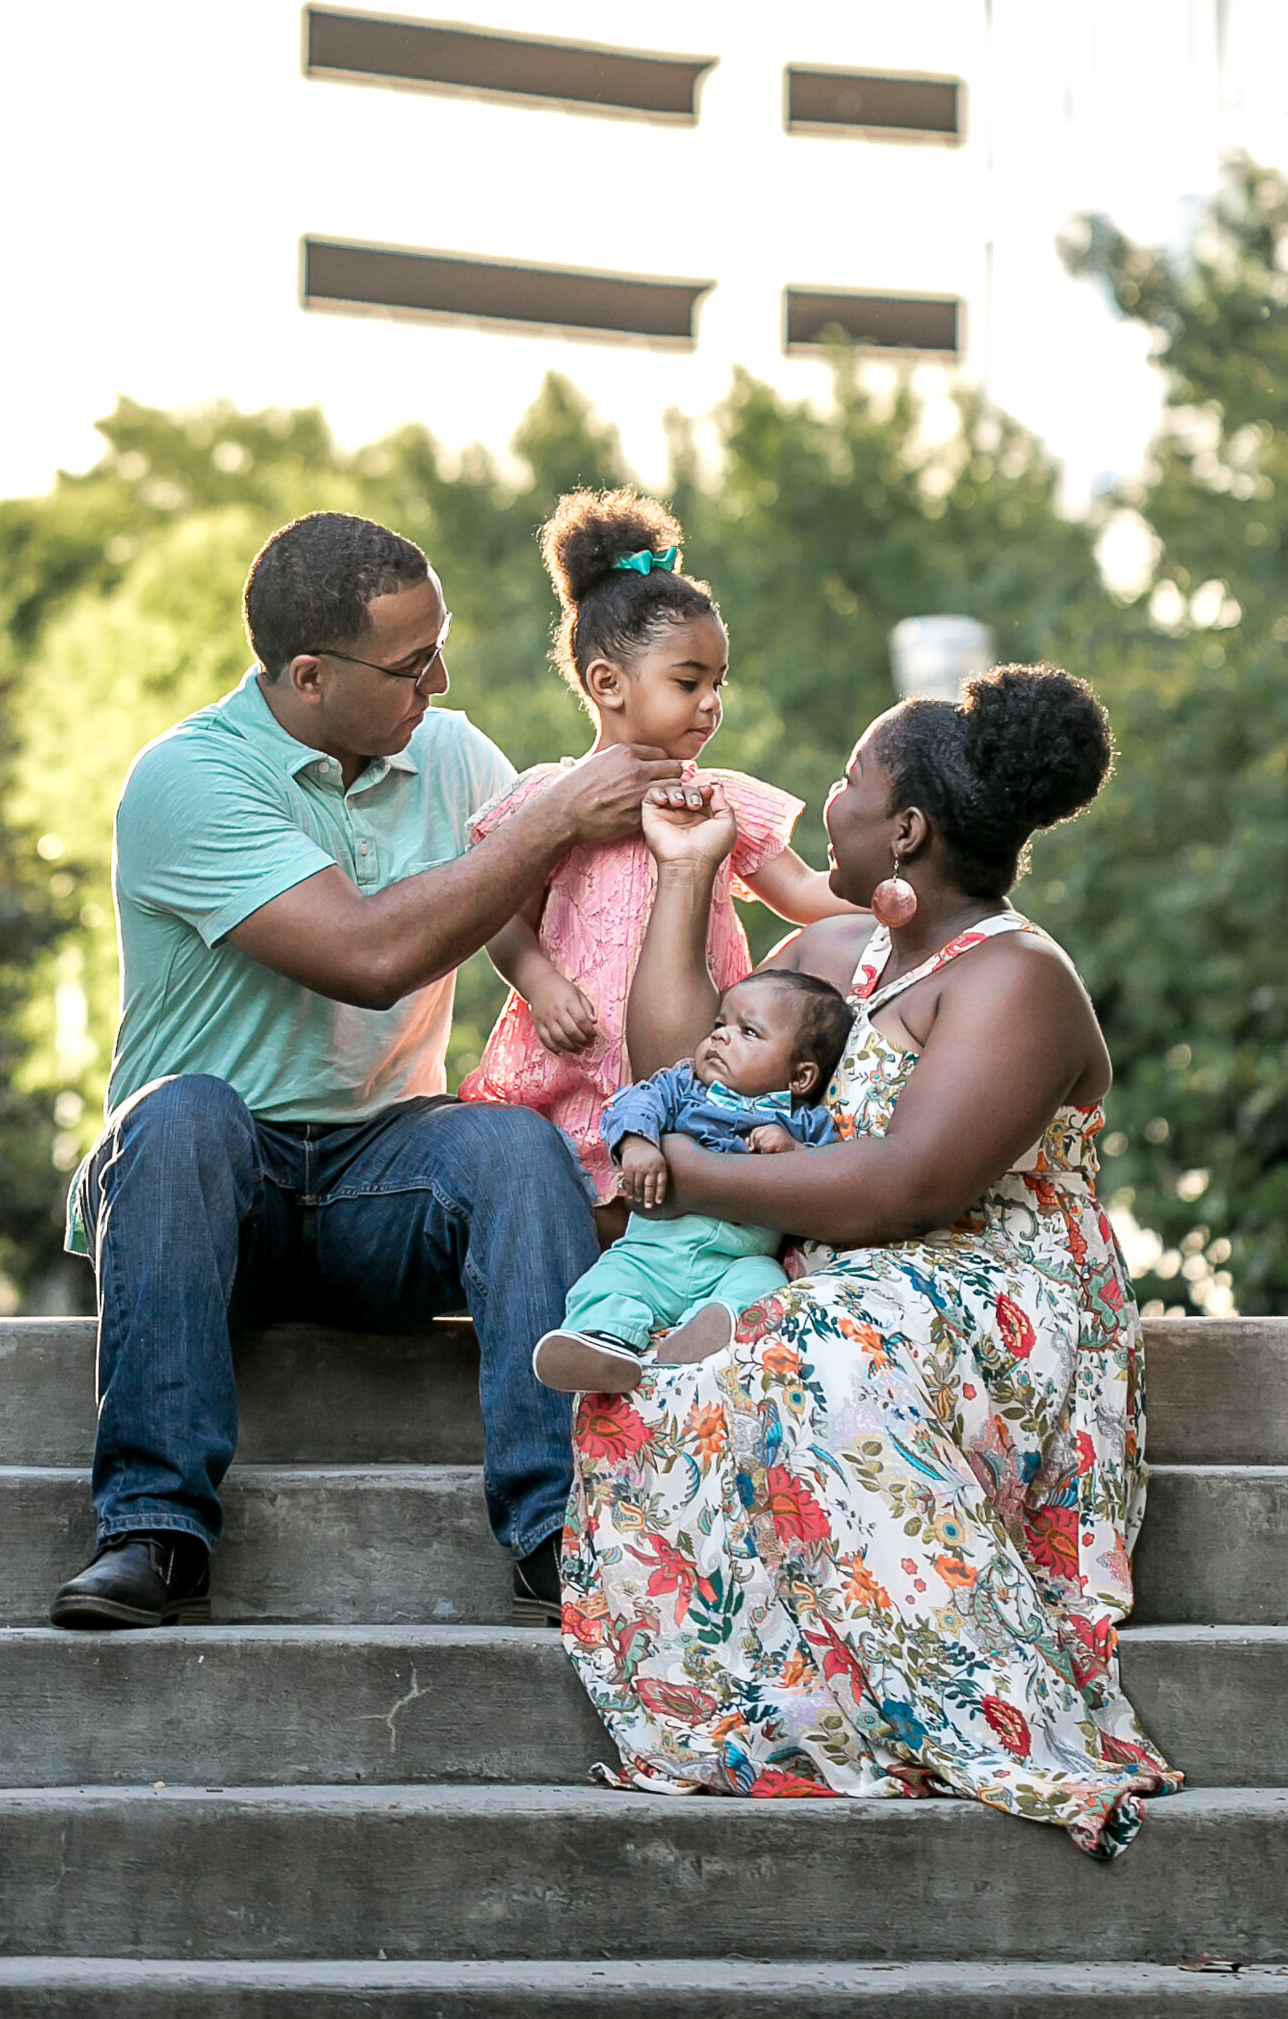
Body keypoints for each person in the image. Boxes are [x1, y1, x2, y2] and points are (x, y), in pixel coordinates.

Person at [561, 666, 1183, 1858]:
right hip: (840, 1273)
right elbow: (691, 1074)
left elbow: (912, 1186)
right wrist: (687, 877)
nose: (825, 797)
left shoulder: (1018, 979)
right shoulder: (839, 950)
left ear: (905, 827)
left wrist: (686, 1181)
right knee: (680, 1362)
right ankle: (768, 1694)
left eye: (847, 779)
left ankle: (964, 1697)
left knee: (813, 1344)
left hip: (994, 1294)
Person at [49, 509, 684, 1634]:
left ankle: (560, 1534)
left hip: (376, 1185)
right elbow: (369, 956)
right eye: (407, 665)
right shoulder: (189, 779)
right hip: (207, 1194)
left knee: (508, 1142)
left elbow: (566, 915)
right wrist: (542, 826)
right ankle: (153, 1531)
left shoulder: (450, 756)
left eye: (438, 648)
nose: (437, 681)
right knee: (181, 1115)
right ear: (306, 676)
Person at [458, 488, 844, 1205]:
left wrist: (879, 882)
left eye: (717, 684)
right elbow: (501, 916)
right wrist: (539, 986)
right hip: (574, 1063)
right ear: (608, 684)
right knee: (572, 1204)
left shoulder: (720, 800)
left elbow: (800, 893)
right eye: (688, 682)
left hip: (691, 1073)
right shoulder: (551, 799)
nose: (711, 704)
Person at [531, 963, 852, 1394]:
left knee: (765, 1282)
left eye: (748, 1032)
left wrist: (794, 1151)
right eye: (721, 1024)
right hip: (650, 1253)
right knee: (609, 1278)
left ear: (800, 1077)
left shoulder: (806, 1124)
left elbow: (830, 1176)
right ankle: (600, 1345)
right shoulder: (681, 1085)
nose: (721, 1035)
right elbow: (632, 1104)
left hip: (736, 1261)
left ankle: (708, 1328)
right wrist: (637, 1144)